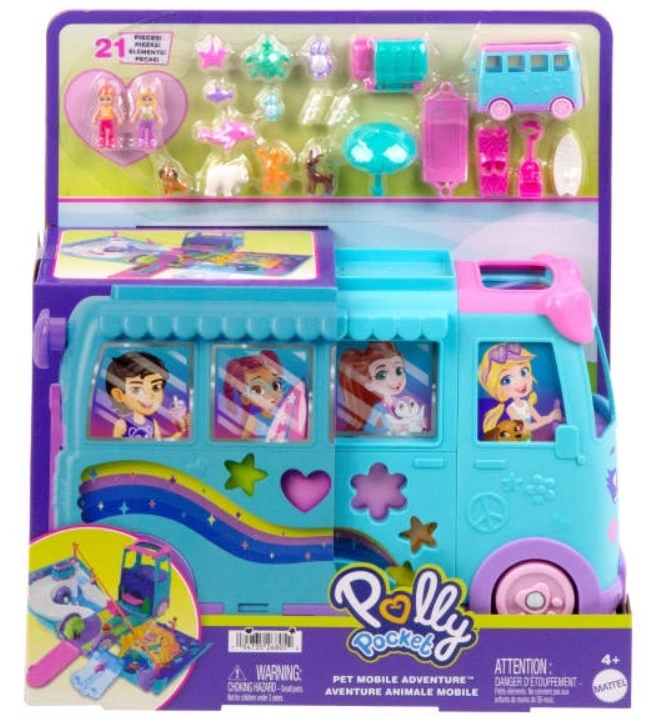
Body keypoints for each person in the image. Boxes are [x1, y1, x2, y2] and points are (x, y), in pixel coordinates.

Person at [478, 342, 562, 440]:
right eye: (507, 380)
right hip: (518, 441)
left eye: (523, 372)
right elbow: (525, 427)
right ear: (497, 388)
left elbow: (539, 419)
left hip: (527, 440)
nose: (520, 382)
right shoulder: (510, 409)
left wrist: (552, 416)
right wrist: (549, 419)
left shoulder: (526, 404)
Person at [105, 351, 188, 439]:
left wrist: (181, 431)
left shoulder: (153, 423)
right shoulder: (122, 424)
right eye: (137, 389)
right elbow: (115, 446)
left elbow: (160, 445)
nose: (149, 395)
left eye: (156, 387)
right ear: (118, 395)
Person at [338, 341, 412, 434]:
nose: (395, 378)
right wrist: (399, 428)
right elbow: (379, 430)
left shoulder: (398, 401)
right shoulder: (379, 408)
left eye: (399, 370)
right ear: (369, 385)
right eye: (382, 375)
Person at [223, 350, 285, 439]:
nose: (272, 393)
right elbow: (244, 441)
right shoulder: (253, 420)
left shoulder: (282, 414)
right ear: (245, 399)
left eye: (275, 385)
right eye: (259, 390)